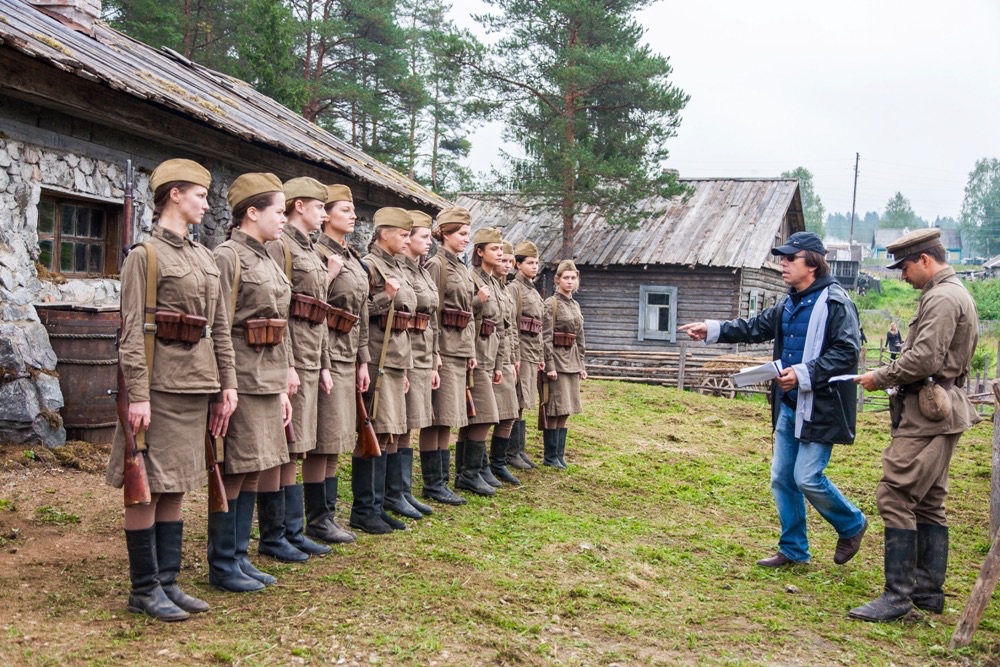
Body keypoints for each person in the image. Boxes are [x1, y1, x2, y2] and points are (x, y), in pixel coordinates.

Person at [679, 231, 867, 568]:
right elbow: (754, 328)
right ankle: (794, 549)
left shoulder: (837, 302)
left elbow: (846, 352)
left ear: (812, 263)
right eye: (782, 257)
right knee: (782, 477)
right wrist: (712, 329)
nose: (782, 263)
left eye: (790, 258)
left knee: (807, 477)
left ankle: (852, 523)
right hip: (789, 404)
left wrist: (803, 373)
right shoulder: (788, 302)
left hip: (821, 406)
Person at [107, 158, 238, 621]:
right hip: (160, 386)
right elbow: (130, 335)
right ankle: (144, 589)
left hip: (197, 383)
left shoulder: (204, 257)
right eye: (200, 194)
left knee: (178, 482)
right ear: (175, 195)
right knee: (149, 486)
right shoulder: (145, 255)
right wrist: (138, 395)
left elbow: (220, 328)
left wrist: (227, 385)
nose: (207, 202)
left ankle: (169, 581)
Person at [849, 228, 980, 622]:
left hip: (928, 413)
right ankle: (926, 592)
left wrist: (880, 377)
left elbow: (923, 359)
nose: (902, 276)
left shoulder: (941, 297)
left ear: (925, 259)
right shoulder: (951, 292)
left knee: (895, 494)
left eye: (905, 267)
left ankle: (898, 597)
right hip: (939, 407)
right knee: (928, 502)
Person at [210, 173, 293, 592]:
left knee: (256, 468)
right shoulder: (228, 256)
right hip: (241, 375)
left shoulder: (269, 256)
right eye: (278, 211)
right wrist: (226, 383)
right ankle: (223, 563)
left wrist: (282, 380)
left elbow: (281, 323)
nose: (283, 218)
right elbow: (220, 326)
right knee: (234, 470)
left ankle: (239, 557)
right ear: (252, 212)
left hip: (267, 375)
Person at [262, 177, 337, 560]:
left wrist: (323, 363)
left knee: (300, 443)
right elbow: (282, 311)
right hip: (287, 358)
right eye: (319, 206)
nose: (324, 214)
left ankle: (292, 530)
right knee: (286, 447)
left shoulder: (307, 248)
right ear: (299, 206)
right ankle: (276, 535)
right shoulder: (281, 247)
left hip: (310, 356)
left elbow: (319, 313)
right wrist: (288, 363)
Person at [309, 184, 368, 544]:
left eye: (353, 210)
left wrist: (363, 359)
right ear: (326, 215)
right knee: (324, 439)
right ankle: (317, 518)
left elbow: (359, 314)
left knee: (337, 438)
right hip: (325, 353)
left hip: (349, 355)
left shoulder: (354, 257)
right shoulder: (317, 254)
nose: (353, 215)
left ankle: (327, 515)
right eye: (345, 209)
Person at [354, 207, 417, 532]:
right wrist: (384, 297)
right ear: (383, 233)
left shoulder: (397, 266)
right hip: (378, 356)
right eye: (402, 235)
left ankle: (379, 505)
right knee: (374, 429)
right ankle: (364, 509)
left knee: (390, 429)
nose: (407, 240)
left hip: (396, 357)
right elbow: (359, 312)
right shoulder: (370, 265)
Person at [420, 207, 482, 505]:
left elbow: (467, 313)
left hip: (459, 350)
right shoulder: (437, 265)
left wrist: (470, 350)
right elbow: (433, 312)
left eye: (468, 234)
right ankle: (433, 483)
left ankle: (442, 480)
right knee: (436, 418)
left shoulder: (459, 267)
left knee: (447, 418)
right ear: (444, 233)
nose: (465, 240)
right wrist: (435, 354)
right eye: (461, 234)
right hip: (443, 349)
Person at [392, 210, 439, 518]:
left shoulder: (422, 271)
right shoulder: (401, 271)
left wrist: (435, 355)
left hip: (423, 352)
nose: (428, 241)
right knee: (399, 423)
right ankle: (394, 493)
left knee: (412, 421)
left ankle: (402, 491)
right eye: (424, 235)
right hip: (404, 354)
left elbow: (431, 317)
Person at [455, 227, 505, 495]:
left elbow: (499, 325)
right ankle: (468, 473)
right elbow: (466, 317)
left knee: (476, 417)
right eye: (494, 249)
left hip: (487, 353)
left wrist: (499, 362)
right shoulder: (472, 277)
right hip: (473, 354)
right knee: (483, 416)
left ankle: (468, 472)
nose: (499, 253)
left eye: (500, 249)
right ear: (479, 251)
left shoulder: (494, 281)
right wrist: (477, 300)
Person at [539, 260, 587, 470]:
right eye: (565, 278)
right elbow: (545, 336)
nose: (569, 281)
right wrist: (549, 364)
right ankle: (550, 456)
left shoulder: (575, 305)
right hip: (556, 361)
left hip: (572, 361)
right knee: (555, 407)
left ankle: (559, 455)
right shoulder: (551, 303)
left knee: (566, 408)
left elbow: (580, 336)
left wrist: (582, 363)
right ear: (557, 280)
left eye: (573, 278)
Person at [487, 240, 522, 485]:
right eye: (503, 260)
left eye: (510, 261)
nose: (506, 265)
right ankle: (482, 466)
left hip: (505, 356)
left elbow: (511, 328)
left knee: (510, 412)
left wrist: (514, 357)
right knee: (487, 415)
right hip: (489, 354)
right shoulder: (492, 286)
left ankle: (497, 462)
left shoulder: (503, 289)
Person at [507, 240, 544, 470]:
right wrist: (515, 355)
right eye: (530, 262)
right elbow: (513, 323)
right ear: (518, 264)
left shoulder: (532, 289)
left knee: (523, 400)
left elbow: (539, 324)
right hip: (519, 349)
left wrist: (539, 354)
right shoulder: (515, 288)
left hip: (531, 351)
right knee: (516, 400)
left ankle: (518, 449)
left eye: (537, 263)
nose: (535, 266)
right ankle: (510, 452)